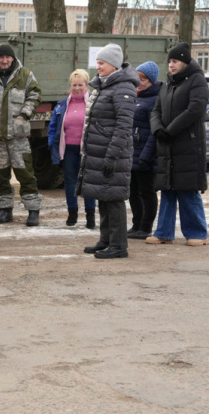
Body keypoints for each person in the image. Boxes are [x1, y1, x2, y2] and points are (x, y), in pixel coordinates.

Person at [77, 43, 138, 259]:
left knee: (113, 199)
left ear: (113, 65)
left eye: (101, 63)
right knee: (102, 195)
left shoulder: (124, 88)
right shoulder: (105, 86)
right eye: (98, 63)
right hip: (99, 151)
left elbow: (124, 125)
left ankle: (119, 246)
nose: (98, 67)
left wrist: (112, 155)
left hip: (113, 154)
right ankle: (106, 240)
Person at [147, 42, 209, 247]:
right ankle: (164, 232)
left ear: (184, 61)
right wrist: (158, 130)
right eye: (170, 62)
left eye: (175, 61)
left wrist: (170, 130)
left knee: (187, 189)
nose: (171, 65)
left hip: (188, 146)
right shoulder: (168, 85)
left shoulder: (197, 81)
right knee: (167, 189)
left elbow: (195, 109)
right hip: (167, 145)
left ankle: (198, 233)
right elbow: (155, 111)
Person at [0, 44, 43, 227]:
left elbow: (35, 94)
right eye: (1, 57)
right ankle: (4, 211)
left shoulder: (25, 75)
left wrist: (24, 114)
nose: (5, 60)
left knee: (26, 174)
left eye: (8, 57)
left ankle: (33, 211)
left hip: (18, 136)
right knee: (0, 176)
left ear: (13, 59)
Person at [48, 69, 96, 229]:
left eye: (80, 85)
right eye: (74, 85)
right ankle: (72, 214)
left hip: (88, 150)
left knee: (88, 183)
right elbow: (53, 127)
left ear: (86, 85)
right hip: (68, 149)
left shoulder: (93, 104)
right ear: (70, 86)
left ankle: (90, 217)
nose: (77, 88)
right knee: (70, 182)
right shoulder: (62, 105)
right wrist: (51, 144)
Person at [127, 61, 161, 240]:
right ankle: (136, 224)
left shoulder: (155, 99)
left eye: (143, 79)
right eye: (137, 78)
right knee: (133, 191)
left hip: (145, 155)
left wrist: (146, 156)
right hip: (132, 152)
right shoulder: (136, 97)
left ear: (151, 80)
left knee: (147, 192)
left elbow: (154, 132)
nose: (139, 82)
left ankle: (146, 226)